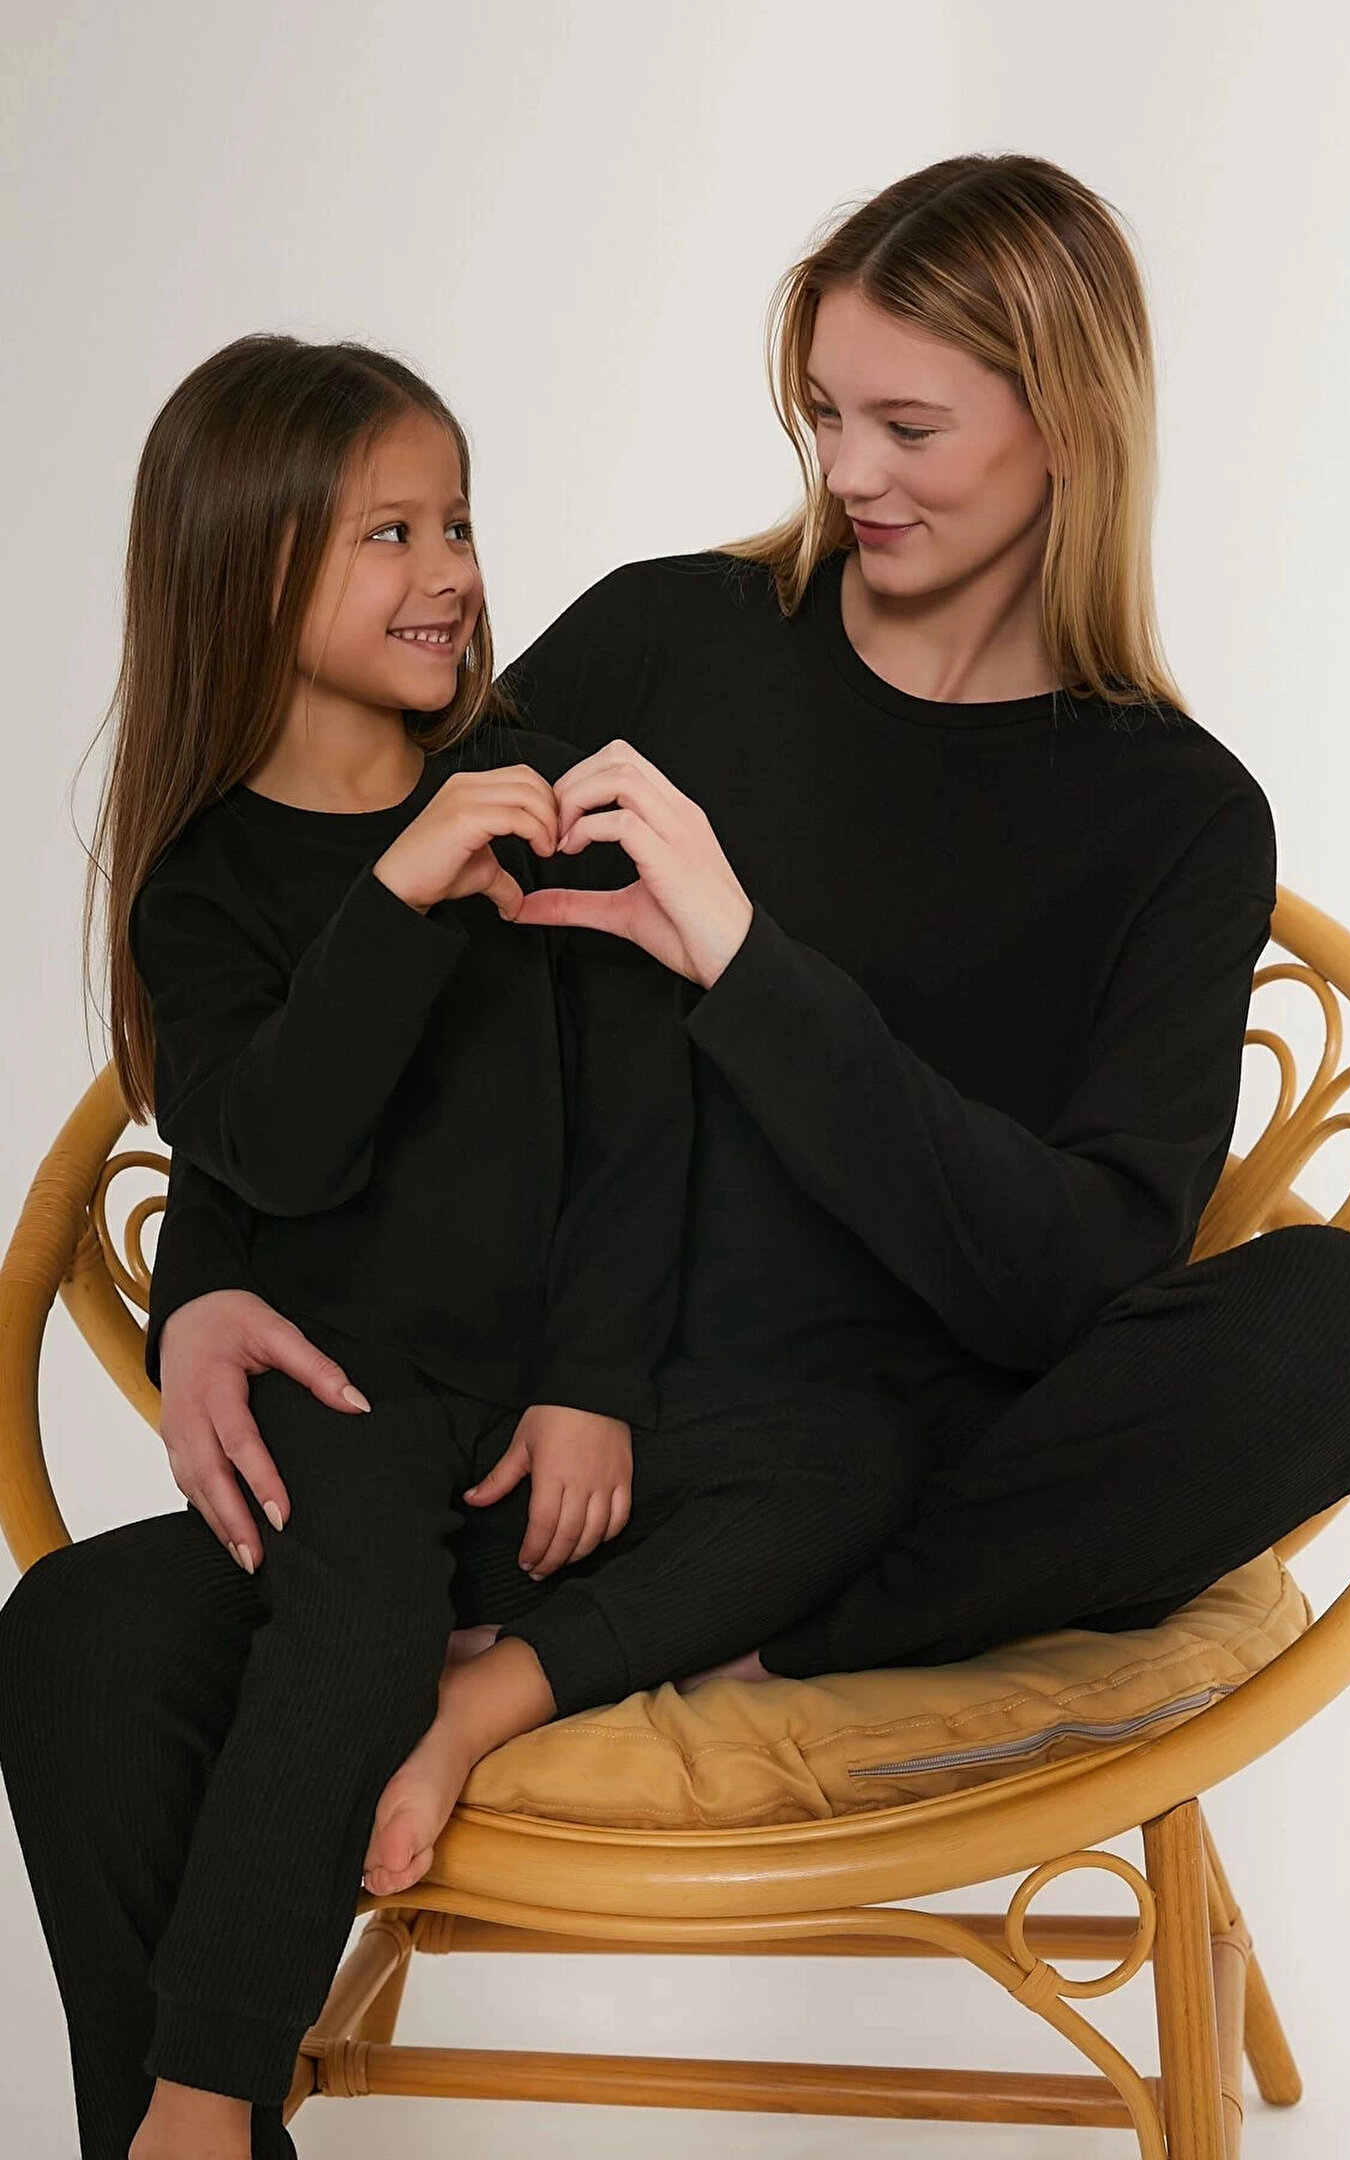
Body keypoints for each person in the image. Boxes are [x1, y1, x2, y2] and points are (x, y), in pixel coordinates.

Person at [2, 149, 1350, 2155]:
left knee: (1337, 1332)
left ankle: (647, 1654)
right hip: (534, 1444)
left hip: (890, 1481)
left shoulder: (1176, 816)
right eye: (823, 412)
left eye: (907, 425)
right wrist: (218, 1269)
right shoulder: (674, 642)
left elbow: (1077, 1277)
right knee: (82, 1646)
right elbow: (370, 932)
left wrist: (752, 966)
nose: (848, 473)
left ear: (1070, 425)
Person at [0, 335, 915, 2160]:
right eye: (389, 534)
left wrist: (594, 1388)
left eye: (460, 524)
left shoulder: (544, 790)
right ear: (243, 570)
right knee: (260, 1625)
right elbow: (268, 1145)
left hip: (529, 1445)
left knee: (850, 1452)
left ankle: (477, 1651)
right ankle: (203, 2107)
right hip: (344, 1408)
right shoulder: (207, 884)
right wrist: (399, 892)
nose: (451, 575)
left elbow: (636, 1132)